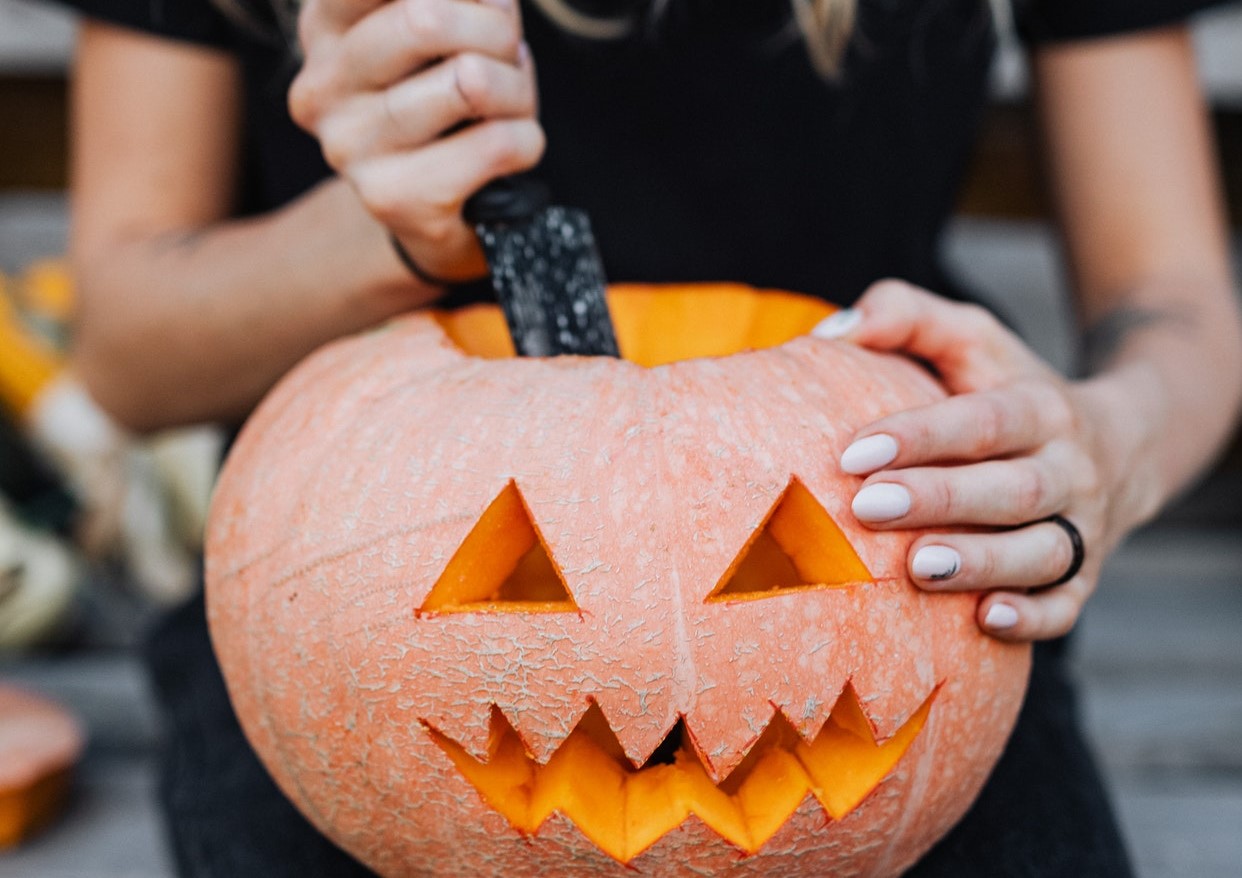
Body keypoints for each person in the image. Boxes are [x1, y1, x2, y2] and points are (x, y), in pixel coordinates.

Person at [57, 0, 1242, 875]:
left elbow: (1175, 298)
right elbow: (125, 350)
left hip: (903, 578)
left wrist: (1113, 436)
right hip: (361, 618)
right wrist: (397, 231)